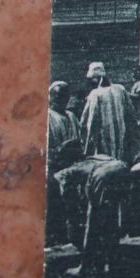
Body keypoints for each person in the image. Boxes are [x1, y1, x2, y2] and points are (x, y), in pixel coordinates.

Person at [53, 154, 131, 278]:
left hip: (102, 176)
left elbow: (65, 194)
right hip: (122, 169)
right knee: (111, 219)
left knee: (93, 222)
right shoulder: (94, 159)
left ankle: (85, 267)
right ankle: (112, 264)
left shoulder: (65, 172)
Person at [46, 81, 85, 248]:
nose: (60, 100)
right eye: (57, 96)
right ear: (50, 97)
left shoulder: (71, 117)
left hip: (72, 166)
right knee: (56, 204)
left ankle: (72, 237)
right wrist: (62, 149)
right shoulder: (48, 117)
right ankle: (56, 236)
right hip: (54, 167)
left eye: (64, 96)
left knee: (73, 204)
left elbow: (80, 141)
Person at [80, 62, 138, 162]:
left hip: (104, 144)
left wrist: (86, 145)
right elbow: (131, 115)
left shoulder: (95, 94)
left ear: (97, 79)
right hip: (122, 141)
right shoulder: (120, 89)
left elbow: (88, 122)